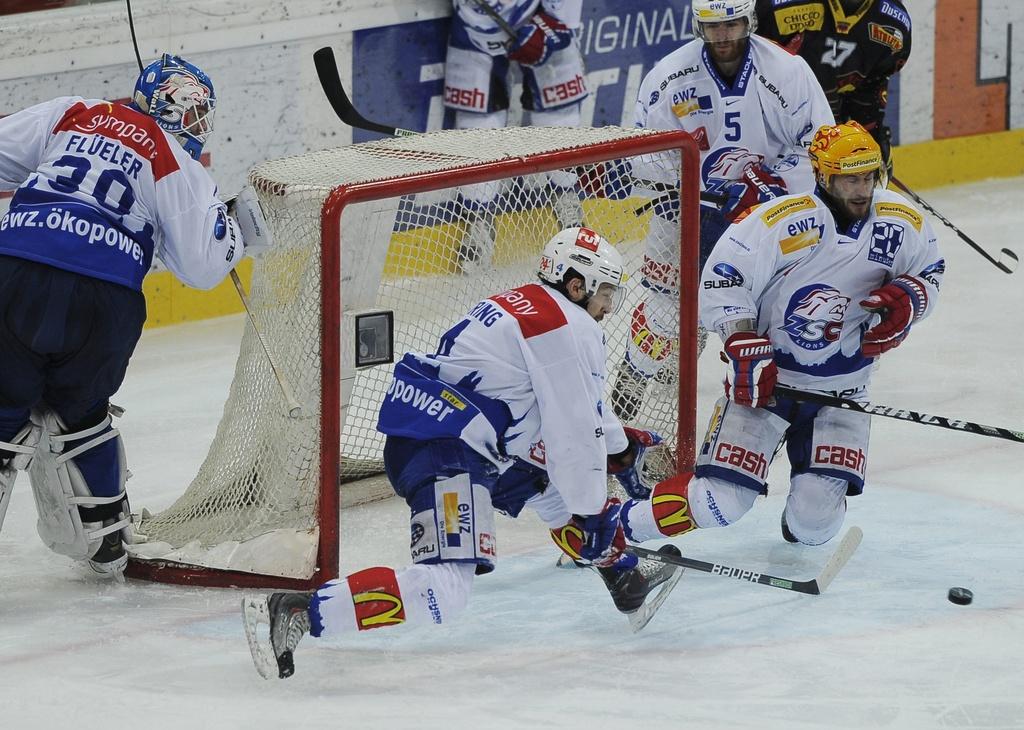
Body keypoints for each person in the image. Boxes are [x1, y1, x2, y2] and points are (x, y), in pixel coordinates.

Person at [243, 227, 682, 680]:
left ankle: (624, 577)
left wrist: (619, 449)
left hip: (449, 432)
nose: (609, 305)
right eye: (605, 291)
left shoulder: (523, 303)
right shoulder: (572, 325)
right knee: (446, 589)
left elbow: (572, 415)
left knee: (550, 493)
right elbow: (576, 428)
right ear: (576, 284)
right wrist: (595, 505)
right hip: (448, 449)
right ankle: (301, 611)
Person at [0, 54, 271, 578]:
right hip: (105, 303)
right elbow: (202, 268)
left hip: (15, 274)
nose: (193, 125)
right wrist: (235, 232)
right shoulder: (177, 161)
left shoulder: (73, 112)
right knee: (79, 415)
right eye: (190, 114)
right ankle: (102, 543)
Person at [615, 121, 944, 551]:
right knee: (721, 502)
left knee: (815, 526)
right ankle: (614, 529)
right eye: (849, 178)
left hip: (844, 389)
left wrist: (913, 299)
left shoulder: (902, 221)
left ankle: (807, 511)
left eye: (869, 176)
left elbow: (931, 271)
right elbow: (723, 277)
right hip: (766, 386)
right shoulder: (781, 220)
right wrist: (741, 339)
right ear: (824, 176)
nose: (862, 189)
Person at [612, 0, 835, 422]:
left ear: (748, 20)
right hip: (686, 214)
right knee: (668, 319)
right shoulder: (668, 75)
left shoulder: (787, 72)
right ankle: (635, 375)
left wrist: (773, 184)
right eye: (713, 27)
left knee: (763, 317)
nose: (724, 37)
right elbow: (643, 154)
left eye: (732, 25)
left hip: (764, 220)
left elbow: (817, 147)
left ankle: (760, 406)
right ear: (699, 25)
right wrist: (689, 188)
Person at [444, 0, 588, 266]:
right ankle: (479, 220)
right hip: (473, 23)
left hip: (538, 12)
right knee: (478, 127)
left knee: (560, 114)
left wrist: (559, 25)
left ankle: (568, 205)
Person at [755, 0, 912, 178]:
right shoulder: (778, 7)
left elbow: (871, 84)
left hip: (830, 134)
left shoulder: (894, 23)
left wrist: (871, 131)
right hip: (772, 124)